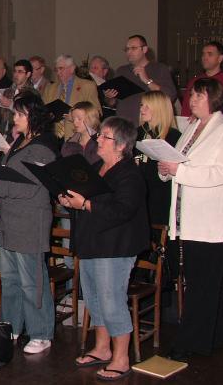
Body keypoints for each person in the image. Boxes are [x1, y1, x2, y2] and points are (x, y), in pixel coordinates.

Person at [61, 117, 149, 381]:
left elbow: (123, 210)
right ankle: (102, 348)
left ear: (121, 145)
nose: (98, 139)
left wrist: (85, 204)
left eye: (105, 136)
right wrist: (68, 200)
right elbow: (84, 199)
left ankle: (121, 359)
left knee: (112, 301)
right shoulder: (98, 165)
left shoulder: (130, 173)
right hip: (92, 242)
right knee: (94, 299)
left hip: (115, 246)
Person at [158, 78, 223, 362]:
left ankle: (189, 342)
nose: (192, 99)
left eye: (199, 95)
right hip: (190, 218)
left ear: (214, 98)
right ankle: (211, 338)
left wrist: (178, 172)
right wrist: (166, 169)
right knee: (204, 284)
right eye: (191, 95)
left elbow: (222, 173)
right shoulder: (191, 127)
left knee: (202, 285)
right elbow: (178, 162)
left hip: (213, 221)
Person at [0, 92, 58, 354]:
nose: (15, 118)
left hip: (30, 219)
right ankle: (11, 326)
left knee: (32, 280)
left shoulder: (44, 146)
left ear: (33, 116)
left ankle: (41, 333)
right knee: (10, 279)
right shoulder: (21, 141)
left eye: (20, 114)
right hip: (10, 218)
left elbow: (32, 187)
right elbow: (11, 171)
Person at [105, 34, 177, 126]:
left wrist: (147, 81)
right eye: (127, 49)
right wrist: (110, 97)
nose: (129, 52)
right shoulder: (121, 71)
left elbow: (170, 96)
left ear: (145, 49)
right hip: (123, 126)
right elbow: (112, 103)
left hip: (149, 125)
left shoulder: (159, 69)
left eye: (133, 48)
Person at [135, 91, 181, 225]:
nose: (141, 109)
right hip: (139, 194)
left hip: (160, 196)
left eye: (147, 106)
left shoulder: (173, 136)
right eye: (141, 105)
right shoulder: (137, 132)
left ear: (159, 108)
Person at [181, 41, 223, 129]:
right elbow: (186, 109)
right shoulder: (194, 82)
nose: (205, 57)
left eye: (210, 54)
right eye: (203, 54)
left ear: (220, 58)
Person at [42, 54, 101, 139]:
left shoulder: (87, 86)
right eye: (56, 69)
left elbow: (96, 112)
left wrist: (75, 117)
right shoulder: (50, 88)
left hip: (76, 136)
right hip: (52, 137)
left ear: (72, 68)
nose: (58, 72)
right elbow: (43, 111)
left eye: (61, 68)